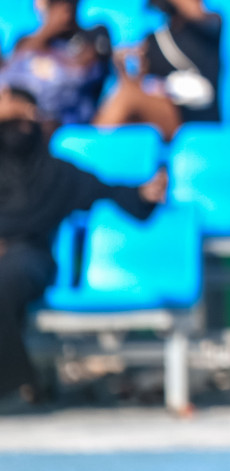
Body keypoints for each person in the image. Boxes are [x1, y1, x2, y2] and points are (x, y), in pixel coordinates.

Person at [0, 86, 165, 404]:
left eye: (24, 120)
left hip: (28, 257)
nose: (17, 129)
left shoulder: (56, 173)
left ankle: (10, 385)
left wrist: (144, 194)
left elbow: (110, 191)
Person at [94, 0, 221, 140]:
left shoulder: (209, 27)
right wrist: (123, 67)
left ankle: (91, 151)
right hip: (162, 112)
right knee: (127, 96)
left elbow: (196, 12)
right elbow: (139, 86)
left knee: (128, 97)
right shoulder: (154, 39)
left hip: (196, 115)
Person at [0, 0, 113, 128]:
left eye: (69, 0)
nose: (65, 8)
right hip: (28, 113)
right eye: (56, 1)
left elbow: (82, 72)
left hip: (70, 120)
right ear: (47, 1)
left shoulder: (95, 34)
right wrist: (49, 30)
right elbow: (15, 65)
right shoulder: (30, 39)